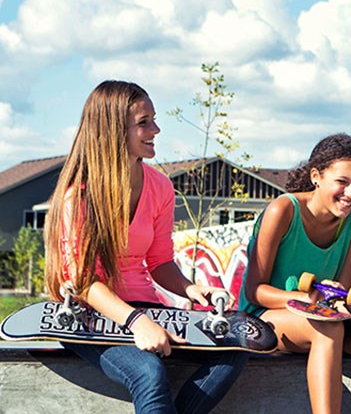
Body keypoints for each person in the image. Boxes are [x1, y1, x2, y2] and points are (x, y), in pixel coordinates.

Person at [44, 80, 248, 414]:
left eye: (153, 119)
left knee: (234, 349)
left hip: (146, 309)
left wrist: (192, 289)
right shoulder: (78, 198)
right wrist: (137, 322)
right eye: (144, 122)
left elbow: (160, 262)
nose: (156, 129)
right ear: (111, 130)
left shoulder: (160, 186)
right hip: (91, 317)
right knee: (148, 372)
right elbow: (84, 283)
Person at [239, 133, 351, 414]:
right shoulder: (282, 210)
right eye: (342, 182)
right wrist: (303, 298)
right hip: (263, 318)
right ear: (317, 176)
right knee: (328, 329)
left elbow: (342, 295)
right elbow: (254, 291)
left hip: (323, 318)